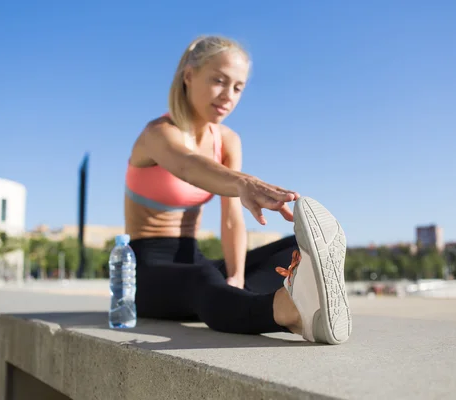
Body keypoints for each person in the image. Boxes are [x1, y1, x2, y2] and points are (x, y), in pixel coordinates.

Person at [125, 35, 352, 345]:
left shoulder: (228, 140)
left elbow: (231, 219)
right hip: (145, 272)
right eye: (218, 81)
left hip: (193, 260)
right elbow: (190, 166)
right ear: (189, 76)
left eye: (238, 87)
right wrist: (244, 182)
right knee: (202, 281)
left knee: (292, 246)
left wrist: (236, 275)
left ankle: (289, 295)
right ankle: (289, 312)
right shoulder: (158, 134)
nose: (228, 96)